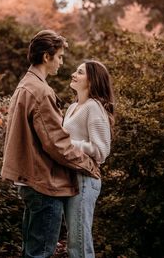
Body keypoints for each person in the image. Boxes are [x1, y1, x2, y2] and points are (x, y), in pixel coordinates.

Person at [1, 30, 100, 258]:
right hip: (43, 183)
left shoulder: (24, 85)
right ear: (47, 57)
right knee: (40, 252)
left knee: (31, 250)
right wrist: (88, 165)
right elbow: (57, 144)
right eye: (60, 56)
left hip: (30, 181)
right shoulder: (41, 91)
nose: (61, 62)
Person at [63, 60, 115, 258]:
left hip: (85, 178)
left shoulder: (93, 107)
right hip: (71, 177)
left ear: (91, 81)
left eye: (80, 72)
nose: (74, 74)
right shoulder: (72, 107)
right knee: (74, 242)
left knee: (79, 243)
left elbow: (101, 150)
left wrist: (68, 142)